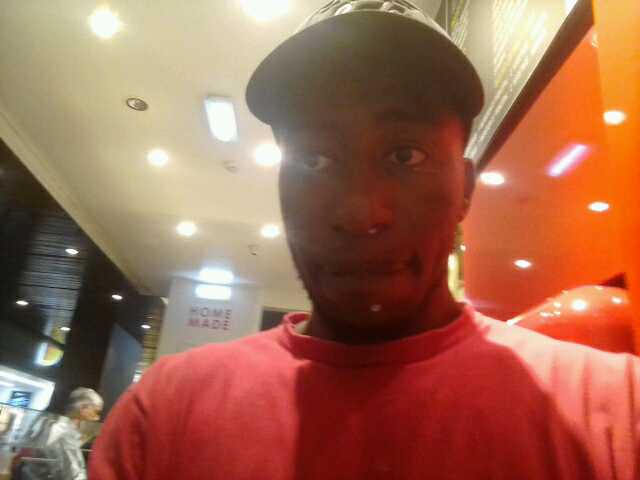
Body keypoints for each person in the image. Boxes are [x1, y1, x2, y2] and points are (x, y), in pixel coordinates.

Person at [90, 2, 640, 479]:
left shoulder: (616, 412)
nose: (359, 213)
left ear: (465, 190)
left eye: (405, 155)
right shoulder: (165, 414)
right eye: (314, 159)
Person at [16, 388, 103, 480]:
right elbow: (73, 475)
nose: (97, 418)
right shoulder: (63, 432)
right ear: (83, 408)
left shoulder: (58, 428)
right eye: (96, 412)